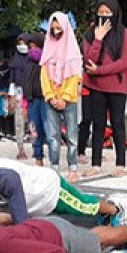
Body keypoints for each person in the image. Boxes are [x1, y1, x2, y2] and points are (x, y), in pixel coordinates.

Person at [0, 157, 125, 226]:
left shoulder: (7, 179)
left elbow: (23, 227)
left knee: (85, 206)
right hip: (30, 203)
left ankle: (114, 210)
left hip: (50, 190)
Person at [81, 0, 127, 177]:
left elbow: (124, 62)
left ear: (115, 13)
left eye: (108, 12)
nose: (104, 15)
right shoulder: (90, 34)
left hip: (117, 86)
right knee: (98, 125)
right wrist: (98, 38)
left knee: (118, 123)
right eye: (100, 12)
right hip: (96, 86)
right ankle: (95, 163)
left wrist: (100, 70)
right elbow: (89, 60)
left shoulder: (124, 34)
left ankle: (120, 164)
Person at [39, 12, 83, 178]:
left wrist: (64, 98)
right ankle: (54, 167)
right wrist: (50, 96)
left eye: (59, 28)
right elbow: (44, 75)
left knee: (72, 136)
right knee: (52, 136)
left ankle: (73, 167)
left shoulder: (73, 51)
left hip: (68, 100)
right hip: (50, 99)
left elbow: (74, 77)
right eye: (53, 28)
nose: (56, 31)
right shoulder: (47, 48)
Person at [19, 33, 46, 165]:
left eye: (36, 47)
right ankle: (38, 157)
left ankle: (54, 158)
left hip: (46, 100)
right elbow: (25, 83)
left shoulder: (47, 61)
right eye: (30, 47)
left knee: (49, 129)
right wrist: (25, 104)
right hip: (32, 100)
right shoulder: (27, 62)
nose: (32, 51)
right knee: (34, 130)